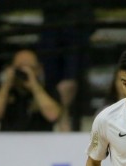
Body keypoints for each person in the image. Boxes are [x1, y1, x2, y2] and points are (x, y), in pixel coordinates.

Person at [38, 0, 94, 131]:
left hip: (77, 19)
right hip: (52, 21)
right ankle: (60, 115)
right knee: (51, 78)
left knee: (71, 79)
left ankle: (67, 115)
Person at [0, 49, 61, 132]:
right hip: (9, 141)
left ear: (39, 69)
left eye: (30, 68)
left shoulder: (48, 89)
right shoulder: (4, 90)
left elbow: (53, 116)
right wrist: (6, 84)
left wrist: (34, 86)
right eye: (19, 68)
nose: (24, 72)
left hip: (40, 141)